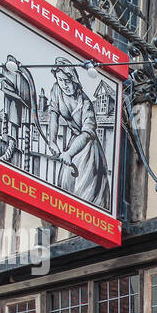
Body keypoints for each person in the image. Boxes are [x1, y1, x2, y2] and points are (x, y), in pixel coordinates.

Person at [41, 57, 111, 210]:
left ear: (73, 78)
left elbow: (87, 133)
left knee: (86, 188)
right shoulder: (56, 90)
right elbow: (53, 114)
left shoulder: (85, 103)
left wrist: (69, 153)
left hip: (87, 148)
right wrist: (51, 140)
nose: (64, 84)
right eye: (60, 80)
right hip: (73, 143)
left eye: (66, 80)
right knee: (66, 183)